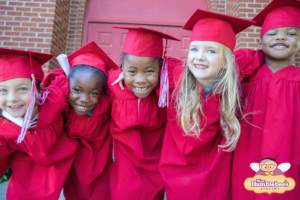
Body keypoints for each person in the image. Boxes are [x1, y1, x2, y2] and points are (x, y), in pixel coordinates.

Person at [157, 9, 255, 200]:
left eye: (211, 51)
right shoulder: (174, 83)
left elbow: (252, 57)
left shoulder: (231, 86)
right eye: (194, 49)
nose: (200, 56)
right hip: (177, 178)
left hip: (216, 181)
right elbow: (142, 72)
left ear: (228, 62)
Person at [231, 0, 300, 199]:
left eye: (291, 33)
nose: (281, 37)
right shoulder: (245, 78)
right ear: (260, 42)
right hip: (247, 160)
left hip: (290, 162)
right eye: (272, 33)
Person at [107, 26, 180, 200]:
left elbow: (183, 71)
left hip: (155, 168)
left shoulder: (164, 93)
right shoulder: (115, 90)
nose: (140, 80)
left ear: (161, 70)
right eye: (132, 71)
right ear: (122, 69)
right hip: (124, 169)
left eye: (149, 71)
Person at [0, 48, 78, 200]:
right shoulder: (5, 129)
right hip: (26, 170)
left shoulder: (55, 101)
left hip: (64, 161)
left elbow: (67, 78)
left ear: (39, 89)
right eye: (2, 90)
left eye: (22, 89)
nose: (12, 98)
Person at [49, 41, 118, 200]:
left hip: (100, 169)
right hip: (72, 168)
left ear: (102, 92)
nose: (84, 99)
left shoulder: (106, 105)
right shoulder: (62, 107)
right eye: (77, 90)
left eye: (94, 93)